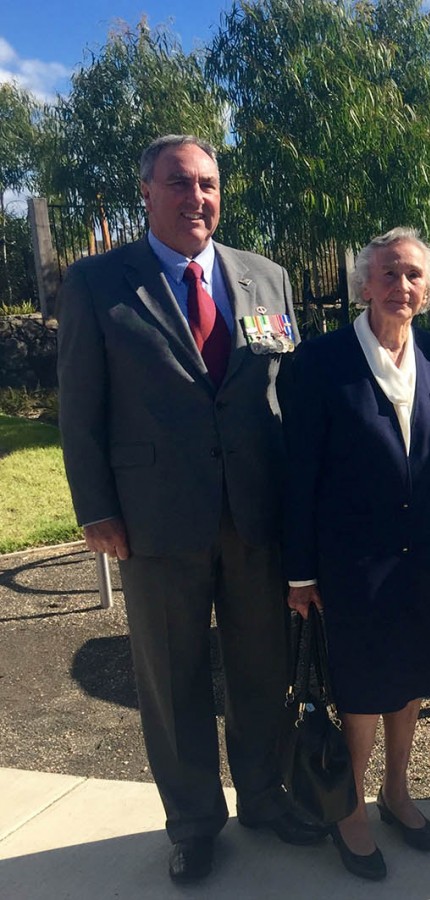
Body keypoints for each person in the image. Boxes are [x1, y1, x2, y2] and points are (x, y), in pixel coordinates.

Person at [56, 134, 325, 883]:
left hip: (255, 515)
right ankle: (194, 822)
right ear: (146, 191)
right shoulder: (97, 283)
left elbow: (287, 394)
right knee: (172, 680)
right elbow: (79, 413)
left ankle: (265, 798)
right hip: (153, 521)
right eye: (179, 183)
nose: (196, 197)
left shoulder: (266, 278)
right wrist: (95, 510)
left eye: (207, 183)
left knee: (260, 667)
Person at [283, 227, 430, 881]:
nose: (401, 286)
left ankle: (397, 791)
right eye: (388, 274)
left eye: (413, 275)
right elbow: (297, 474)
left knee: (412, 678)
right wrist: (300, 572)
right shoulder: (319, 363)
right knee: (361, 689)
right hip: (350, 562)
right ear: (365, 284)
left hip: (422, 558)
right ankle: (350, 809)